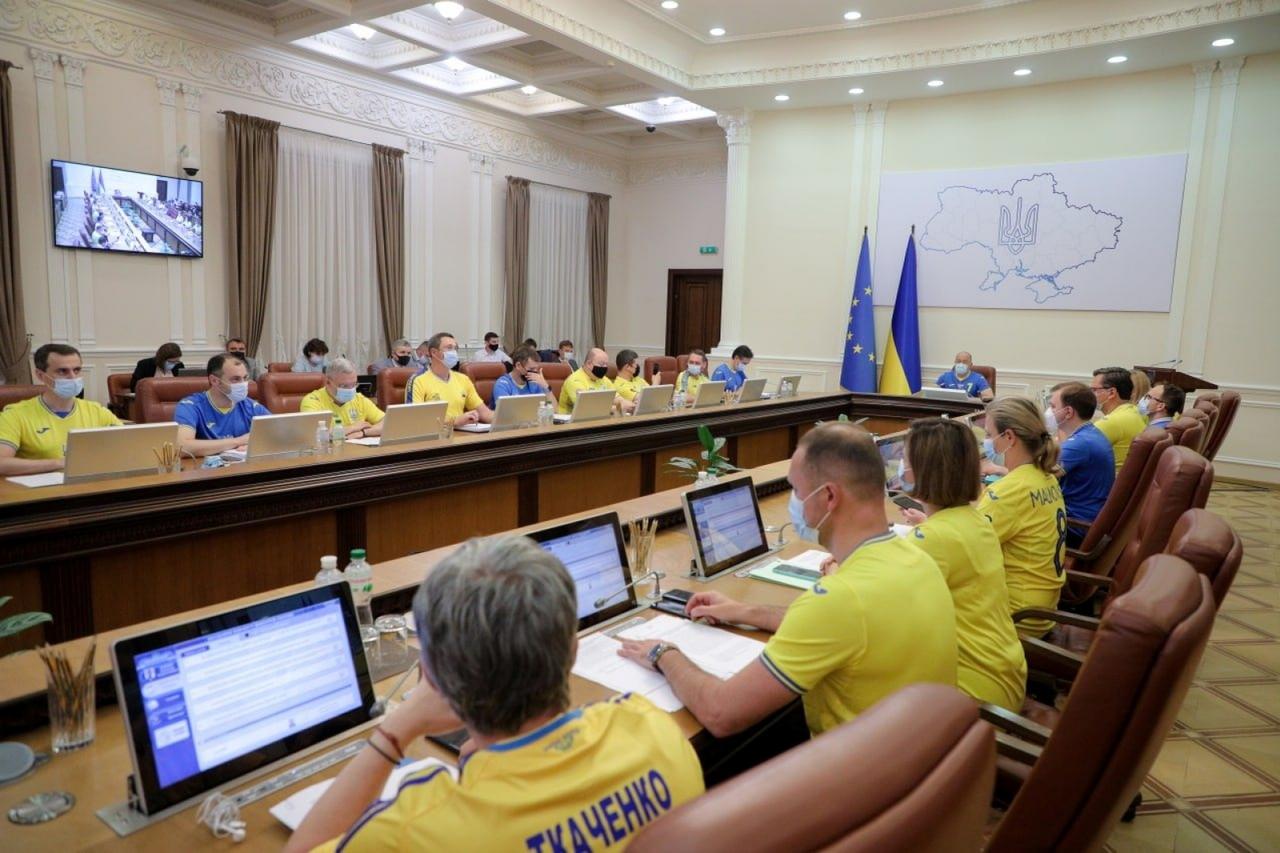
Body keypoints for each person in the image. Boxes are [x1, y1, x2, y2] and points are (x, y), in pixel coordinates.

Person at [286, 536, 704, 853]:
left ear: (433, 676)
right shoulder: (650, 727)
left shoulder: (416, 830)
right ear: (572, 650)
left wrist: (396, 728)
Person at [619, 422, 957, 738]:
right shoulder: (917, 558)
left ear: (829, 497)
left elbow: (721, 713)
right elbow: (840, 626)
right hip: (921, 769)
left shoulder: (838, 599)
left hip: (858, 790)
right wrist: (745, 612)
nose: (794, 503)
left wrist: (663, 653)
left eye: (796, 490)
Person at [896, 418, 1027, 711]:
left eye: (904, 458)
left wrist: (835, 574)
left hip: (971, 695)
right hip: (1003, 671)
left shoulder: (933, 537)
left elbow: (866, 610)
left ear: (921, 469)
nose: (900, 467)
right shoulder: (974, 518)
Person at [977, 397, 1067, 638]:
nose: (986, 442)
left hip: (1017, 617)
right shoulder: (1045, 475)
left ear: (1009, 437)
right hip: (1043, 607)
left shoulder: (1007, 491)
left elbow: (966, 551)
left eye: (989, 433)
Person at [0, 343, 120, 476]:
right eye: (62, 371)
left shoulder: (96, 410)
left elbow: (129, 446)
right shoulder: (14, 414)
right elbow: (2, 463)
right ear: (41, 376)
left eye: (76, 370)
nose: (73, 377)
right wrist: (60, 463)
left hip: (91, 485)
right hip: (42, 492)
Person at [1048, 382, 1114, 543]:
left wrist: (995, 469)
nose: (1049, 411)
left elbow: (1035, 477)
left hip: (1074, 526)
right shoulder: (1090, 434)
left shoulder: (1081, 443)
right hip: (1083, 517)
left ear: (1068, 412)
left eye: (1052, 406)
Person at [174, 353, 272, 457]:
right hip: (207, 470)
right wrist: (238, 441)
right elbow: (182, 447)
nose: (243, 384)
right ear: (214, 381)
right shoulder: (191, 406)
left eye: (245, 378)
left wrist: (253, 445)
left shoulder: (250, 405)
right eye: (235, 379)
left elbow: (279, 433)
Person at [407, 333, 493, 424]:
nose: (454, 352)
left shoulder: (463, 379)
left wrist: (505, 418)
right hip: (434, 436)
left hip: (463, 435)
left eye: (455, 348)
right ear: (434, 352)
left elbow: (485, 413)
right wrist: (454, 421)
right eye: (449, 348)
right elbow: (416, 418)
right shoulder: (418, 380)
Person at [300, 358, 385, 439]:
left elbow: (387, 422)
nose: (350, 390)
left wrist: (363, 432)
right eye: (344, 386)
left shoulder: (359, 398)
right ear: (327, 382)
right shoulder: (312, 401)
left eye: (354, 384)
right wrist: (353, 428)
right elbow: (316, 434)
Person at [1091, 366, 1146, 471]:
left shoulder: (1112, 422)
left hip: (1108, 483)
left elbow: (1071, 453)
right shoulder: (1134, 411)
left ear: (1111, 392)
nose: (1091, 394)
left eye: (1094, 390)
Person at [490, 346, 556, 407]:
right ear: (518, 365)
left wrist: (546, 386)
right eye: (531, 369)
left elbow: (554, 409)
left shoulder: (534, 383)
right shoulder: (502, 384)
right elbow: (506, 414)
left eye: (536, 369)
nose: (535, 372)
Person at [557, 348, 617, 415]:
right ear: (588, 363)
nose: (605, 367)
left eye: (606, 364)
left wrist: (624, 403)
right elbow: (586, 406)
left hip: (596, 418)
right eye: (602, 364)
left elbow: (617, 398)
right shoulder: (575, 380)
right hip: (569, 421)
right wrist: (615, 408)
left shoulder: (603, 379)